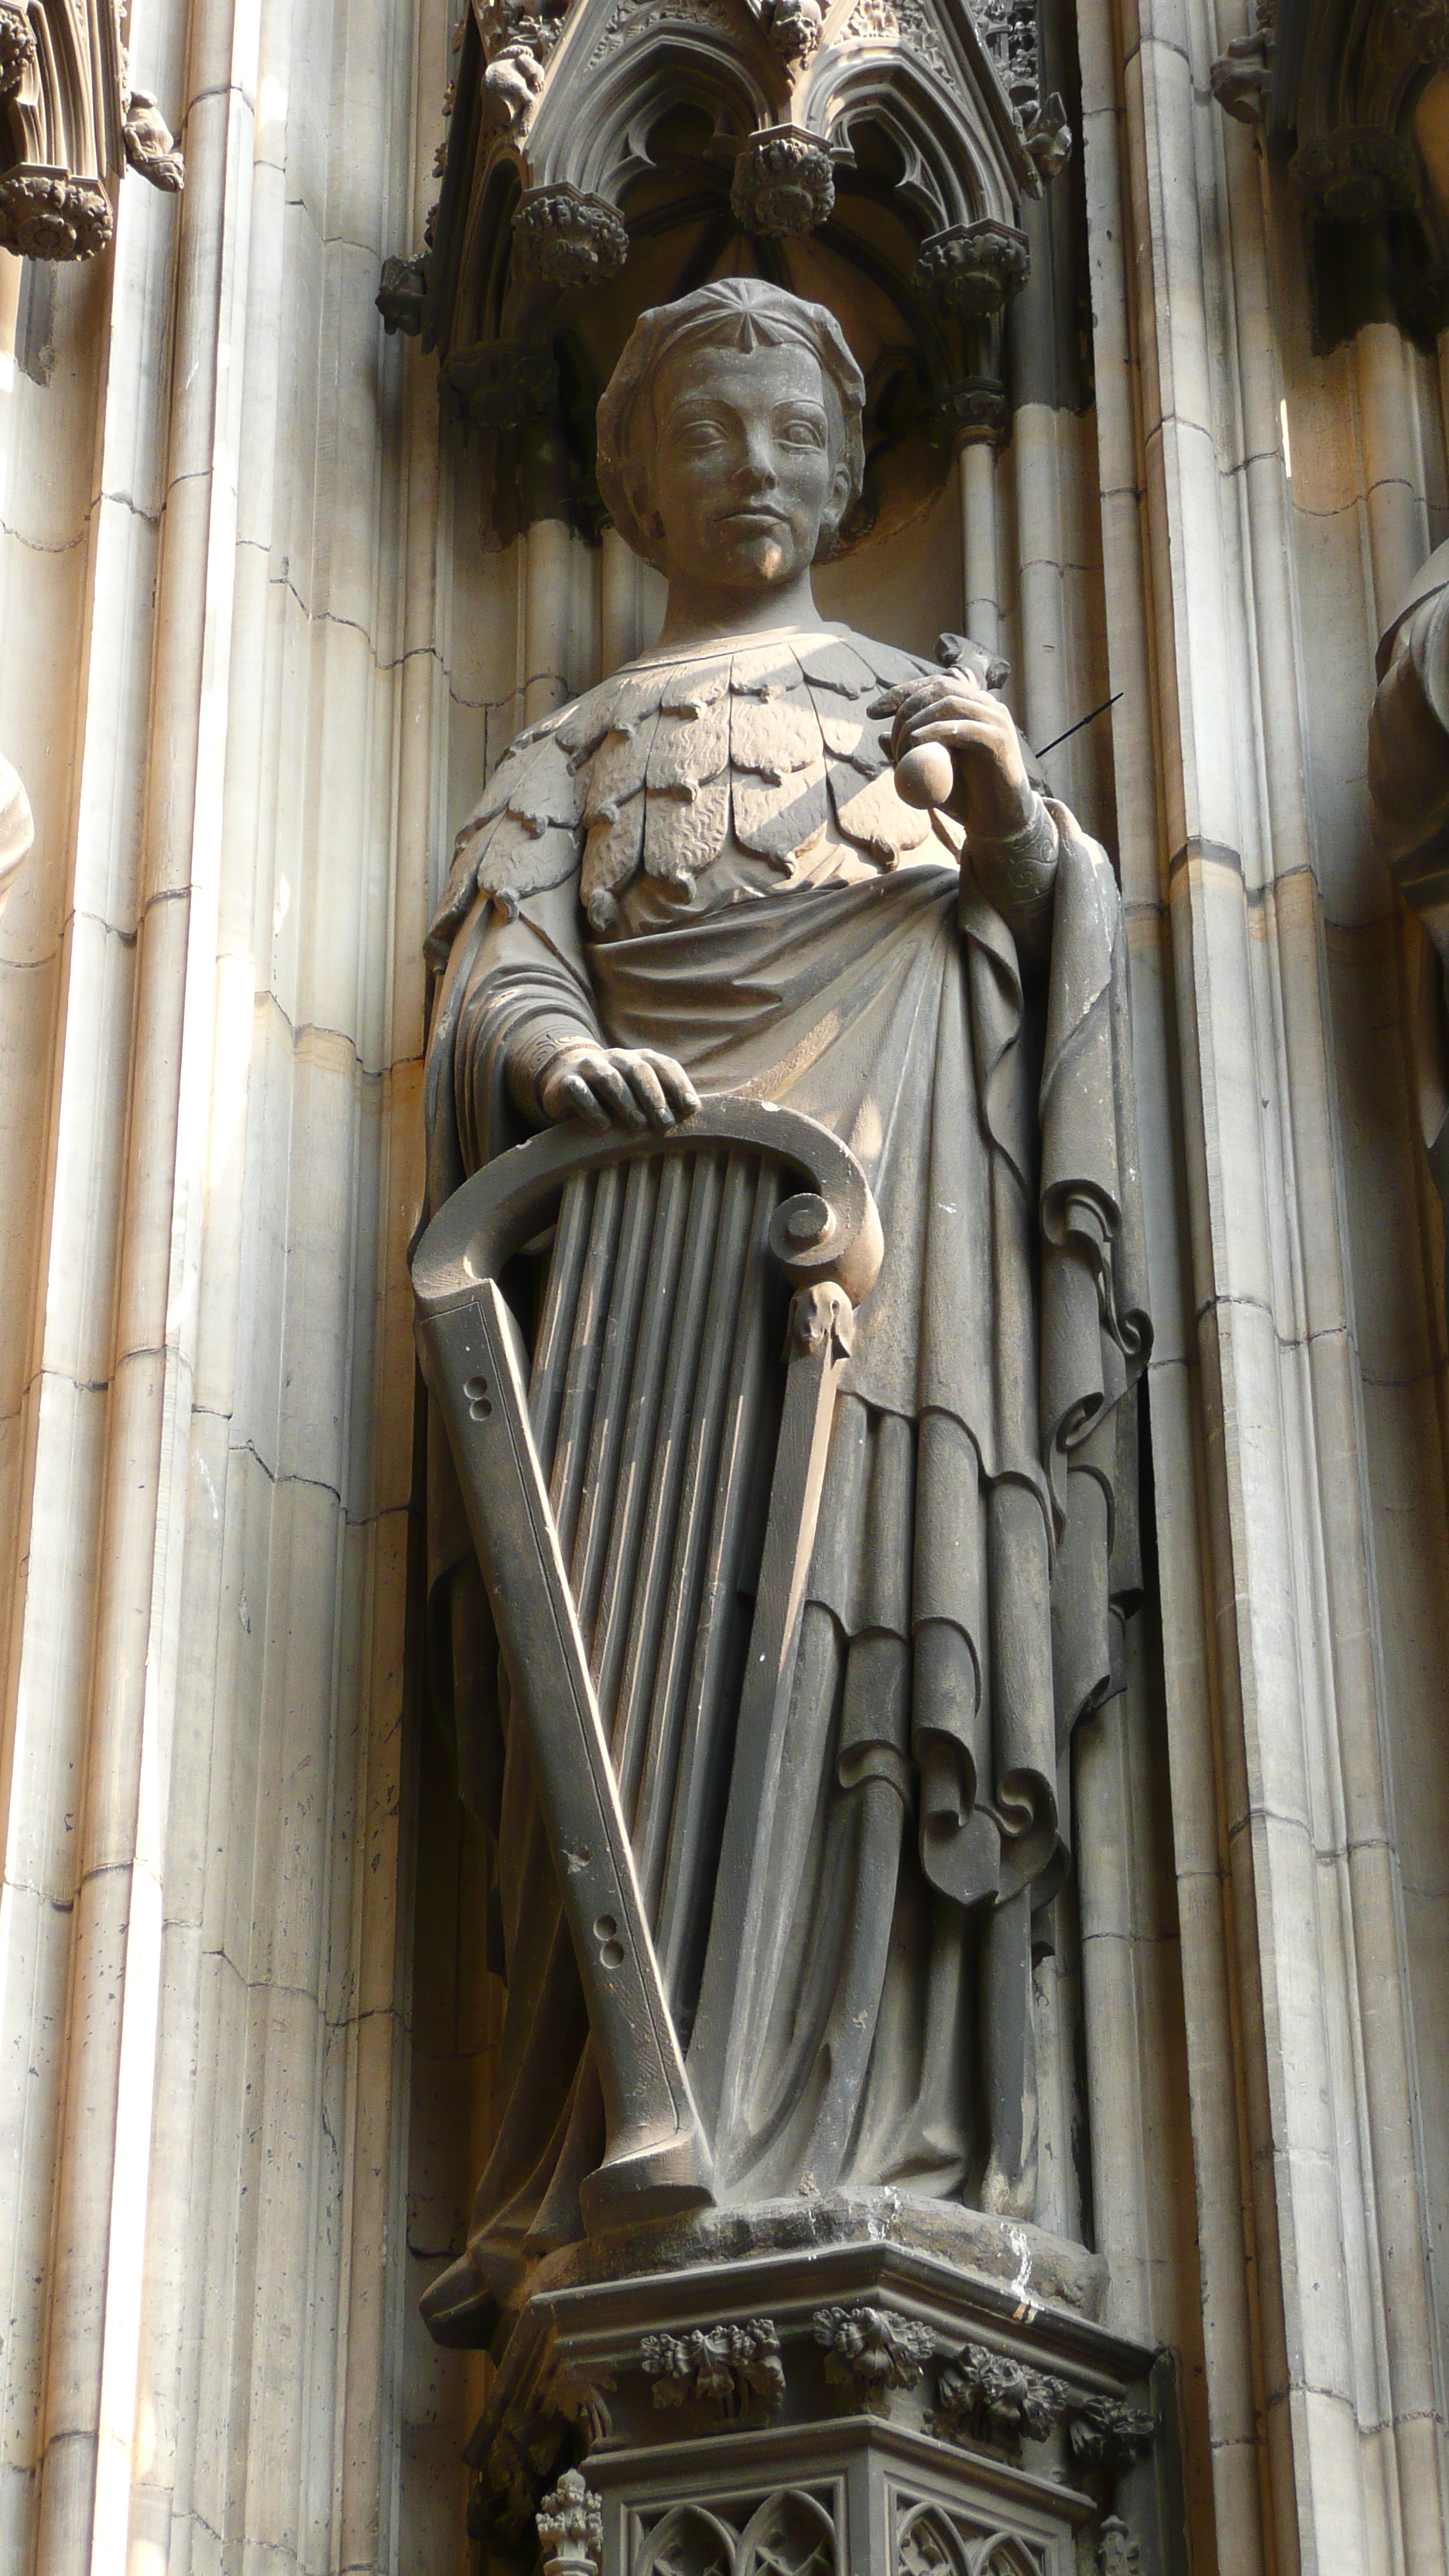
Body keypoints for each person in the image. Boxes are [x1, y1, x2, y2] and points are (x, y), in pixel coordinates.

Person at [420, 278, 1149, 2348]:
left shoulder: (915, 709)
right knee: (647, 1697)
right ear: (639, 487)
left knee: (875, 1658)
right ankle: (635, 2132)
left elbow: (1043, 928)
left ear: (845, 467)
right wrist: (565, 1067)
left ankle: (885, 2122)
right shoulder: (570, 751)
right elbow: (502, 980)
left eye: (786, 435)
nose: (751, 466)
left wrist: (1011, 834)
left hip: (899, 1288)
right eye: (705, 435)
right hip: (649, 1320)